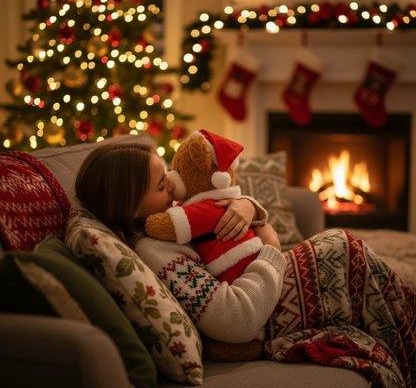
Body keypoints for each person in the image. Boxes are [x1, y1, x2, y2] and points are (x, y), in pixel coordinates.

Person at [75, 140, 416, 388]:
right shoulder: (155, 251)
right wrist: (271, 248)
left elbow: (216, 215)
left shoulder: (167, 225)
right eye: (163, 186)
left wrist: (250, 208)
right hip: (267, 312)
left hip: (268, 283)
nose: (176, 188)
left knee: (352, 256)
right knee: (346, 252)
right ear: (132, 206)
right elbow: (235, 319)